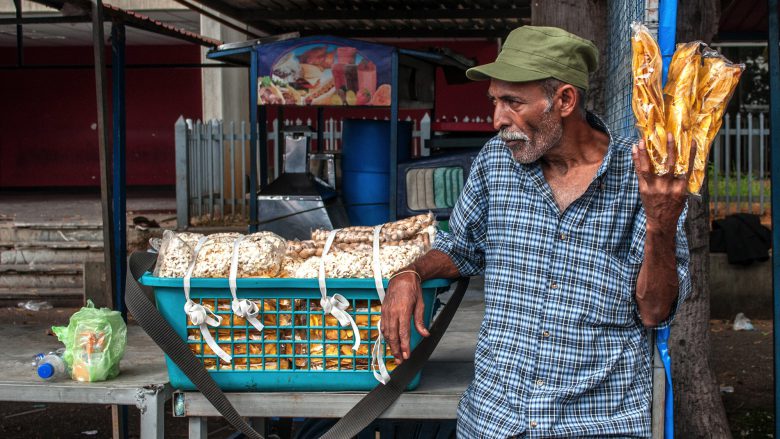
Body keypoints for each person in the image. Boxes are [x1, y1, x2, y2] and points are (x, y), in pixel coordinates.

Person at [381, 26, 693, 438]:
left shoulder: (644, 178)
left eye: (513, 102)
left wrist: (660, 224)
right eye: (494, 101)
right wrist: (411, 273)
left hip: (595, 424)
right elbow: (461, 248)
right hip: (495, 421)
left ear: (564, 100)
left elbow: (654, 310)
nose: (497, 120)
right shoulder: (496, 162)